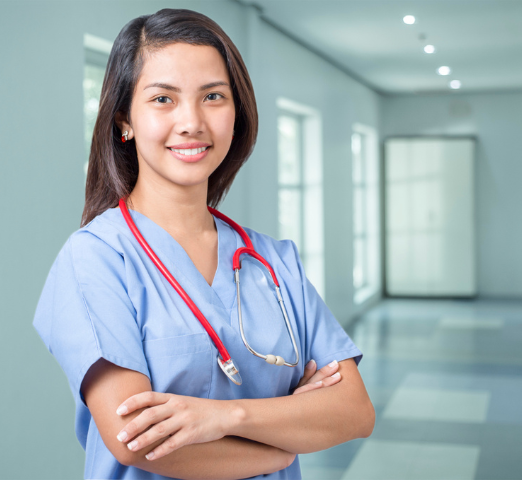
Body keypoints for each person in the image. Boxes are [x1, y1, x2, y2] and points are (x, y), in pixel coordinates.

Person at [32, 8, 374, 480]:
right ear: (123, 121)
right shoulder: (96, 258)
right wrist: (281, 444)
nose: (191, 122)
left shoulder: (273, 262)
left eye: (213, 96)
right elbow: (137, 439)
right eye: (163, 99)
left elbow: (355, 411)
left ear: (237, 111)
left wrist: (224, 417)